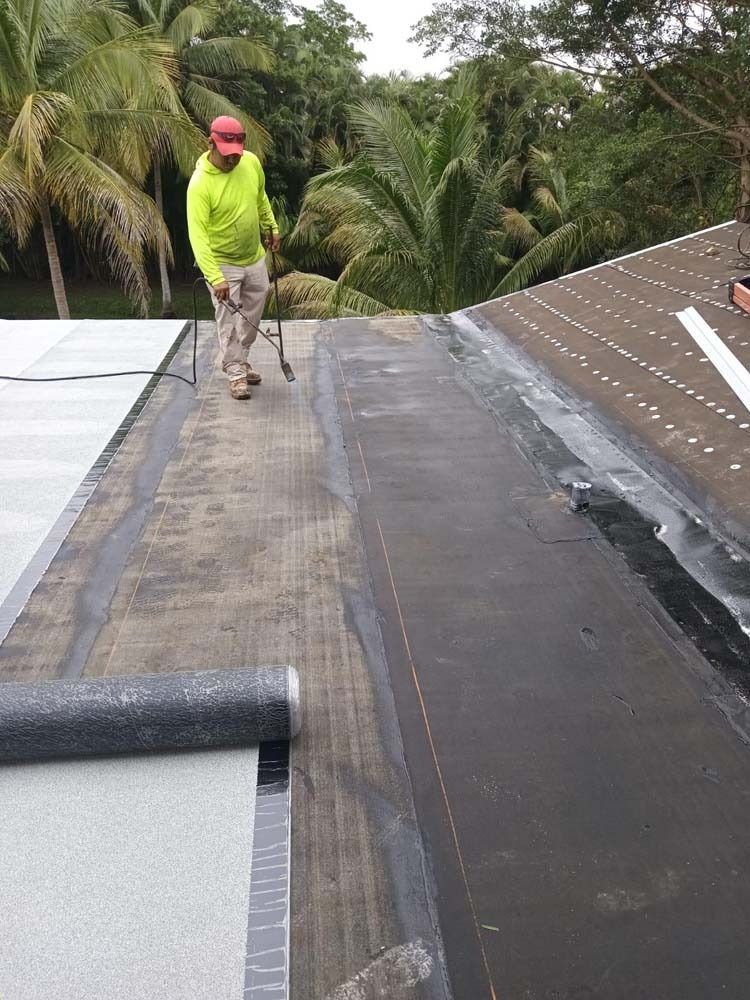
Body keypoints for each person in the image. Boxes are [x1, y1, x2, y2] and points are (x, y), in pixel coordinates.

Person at [187, 116, 281, 400]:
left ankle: (239, 357)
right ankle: (236, 373)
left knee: (255, 305)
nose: (233, 161)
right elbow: (198, 236)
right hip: (222, 261)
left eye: (236, 154)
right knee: (227, 317)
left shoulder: (250, 163)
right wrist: (215, 276)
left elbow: (260, 196)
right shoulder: (200, 184)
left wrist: (271, 225)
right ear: (210, 144)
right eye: (227, 156)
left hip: (252, 256)